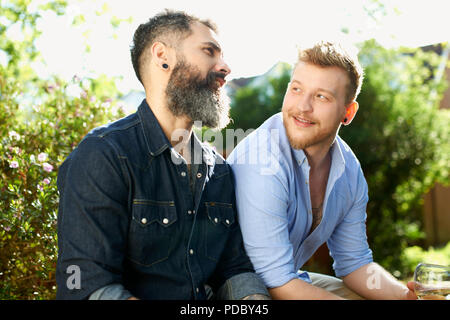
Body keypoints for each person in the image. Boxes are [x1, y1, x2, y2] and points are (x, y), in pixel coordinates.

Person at [55, 9, 269, 300]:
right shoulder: (104, 155)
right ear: (162, 56)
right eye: (209, 52)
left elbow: (233, 268)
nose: (225, 68)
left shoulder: (218, 170)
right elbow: (85, 283)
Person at [227, 41, 417, 300]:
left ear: (347, 112)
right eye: (296, 89)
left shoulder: (348, 170)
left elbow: (356, 263)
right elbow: (276, 282)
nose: (302, 106)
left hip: (284, 279)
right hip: (233, 290)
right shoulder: (261, 160)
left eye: (321, 96)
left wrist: (406, 297)